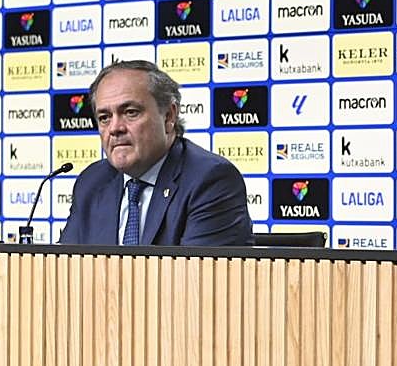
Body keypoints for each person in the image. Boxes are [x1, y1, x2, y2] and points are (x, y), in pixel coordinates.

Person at [60, 60, 253, 246]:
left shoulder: (210, 181)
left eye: (130, 112)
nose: (115, 128)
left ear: (168, 116)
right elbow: (67, 262)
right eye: (104, 117)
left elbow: (198, 269)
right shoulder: (92, 182)